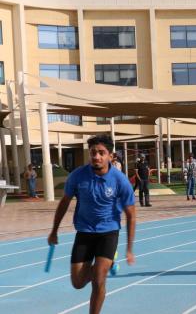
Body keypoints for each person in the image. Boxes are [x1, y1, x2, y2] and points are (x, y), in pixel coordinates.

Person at [47, 135, 136, 314]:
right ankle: (108, 264)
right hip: (85, 232)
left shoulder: (120, 180)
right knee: (78, 283)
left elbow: (131, 215)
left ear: (110, 156)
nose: (96, 157)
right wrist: (54, 231)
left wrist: (129, 249)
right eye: (93, 153)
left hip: (108, 232)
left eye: (101, 153)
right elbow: (64, 202)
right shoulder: (78, 176)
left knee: (98, 280)